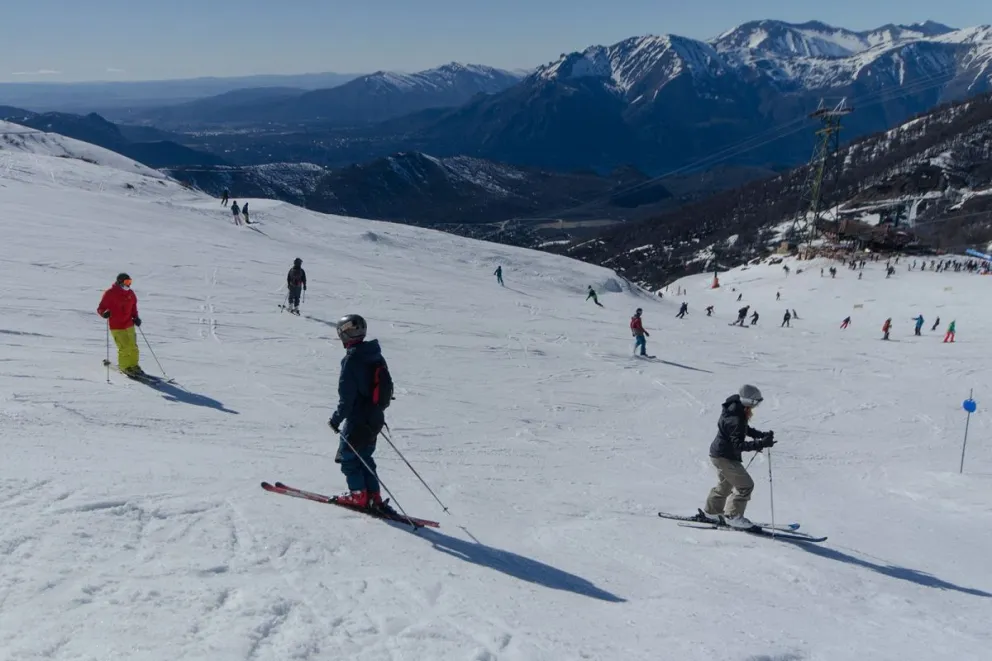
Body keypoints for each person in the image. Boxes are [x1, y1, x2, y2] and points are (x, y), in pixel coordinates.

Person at [328, 314, 392, 511]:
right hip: (375, 417)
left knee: (348, 457)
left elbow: (346, 398)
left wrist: (335, 420)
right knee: (365, 457)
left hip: (358, 418)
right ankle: (373, 496)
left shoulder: (352, 360)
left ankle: (358, 495)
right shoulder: (375, 354)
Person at [699, 385, 775, 529]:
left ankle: (712, 512)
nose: (756, 406)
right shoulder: (735, 417)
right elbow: (738, 444)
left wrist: (760, 436)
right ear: (748, 401)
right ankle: (733, 517)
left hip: (719, 454)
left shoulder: (735, 408)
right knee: (746, 485)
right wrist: (759, 443)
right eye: (755, 403)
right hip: (725, 457)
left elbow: (742, 430)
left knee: (726, 484)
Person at [97, 273, 144, 377]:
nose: (129, 284)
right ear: (120, 282)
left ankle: (134, 365)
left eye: (130, 282)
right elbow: (101, 308)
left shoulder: (130, 293)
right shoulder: (110, 293)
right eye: (127, 282)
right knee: (124, 347)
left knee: (133, 347)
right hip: (117, 325)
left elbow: (133, 307)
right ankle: (125, 366)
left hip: (129, 324)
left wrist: (135, 317)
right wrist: (104, 313)